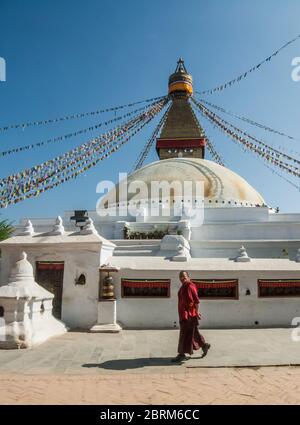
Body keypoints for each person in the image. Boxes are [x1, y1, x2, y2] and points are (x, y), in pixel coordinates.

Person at [172, 271, 210, 362]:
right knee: (194, 333)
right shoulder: (182, 287)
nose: (182, 278)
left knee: (184, 334)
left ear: (188, 277)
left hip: (189, 315)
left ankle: (181, 354)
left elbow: (196, 301)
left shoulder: (190, 285)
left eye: (184, 276)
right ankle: (204, 346)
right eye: (181, 276)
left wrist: (197, 312)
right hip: (183, 314)